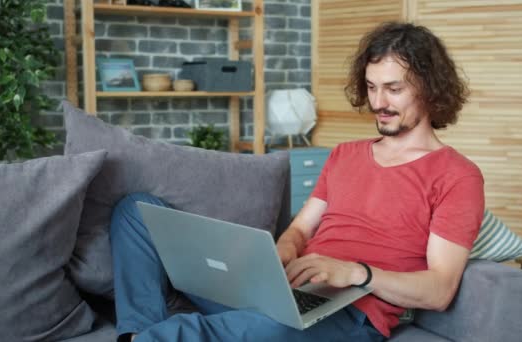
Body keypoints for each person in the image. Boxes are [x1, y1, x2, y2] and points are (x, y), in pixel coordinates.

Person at [110, 21, 484, 342]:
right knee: (137, 213)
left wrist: (356, 272)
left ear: (430, 88)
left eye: (394, 88)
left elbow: (439, 289)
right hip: (284, 289)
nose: (378, 102)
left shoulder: (457, 175)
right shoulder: (345, 154)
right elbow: (301, 229)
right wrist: (282, 253)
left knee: (227, 330)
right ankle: (138, 333)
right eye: (371, 87)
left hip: (351, 311)